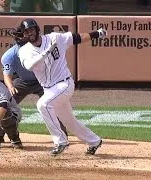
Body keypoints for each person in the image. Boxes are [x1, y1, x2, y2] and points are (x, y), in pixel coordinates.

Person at [18, 18, 107, 156]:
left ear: (37, 29)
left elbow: (77, 38)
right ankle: (94, 141)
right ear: (23, 35)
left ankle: (60, 141)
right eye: (26, 32)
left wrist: (97, 33)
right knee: (69, 121)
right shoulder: (24, 51)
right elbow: (30, 65)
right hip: (49, 89)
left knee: (43, 104)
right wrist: (47, 51)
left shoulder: (54, 38)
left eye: (31, 30)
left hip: (64, 84)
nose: (29, 33)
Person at [0, 26, 68, 140]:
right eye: (20, 35)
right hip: (22, 81)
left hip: (43, 81)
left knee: (52, 104)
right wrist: (10, 86)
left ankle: (62, 134)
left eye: (24, 34)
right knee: (5, 103)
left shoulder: (40, 47)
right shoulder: (9, 55)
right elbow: (7, 75)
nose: (22, 38)